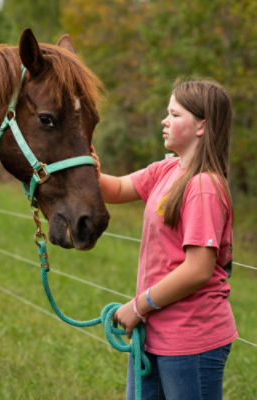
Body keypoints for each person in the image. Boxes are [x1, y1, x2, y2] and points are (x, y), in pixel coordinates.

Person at [92, 79, 238, 400]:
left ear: (201, 126)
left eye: (174, 114)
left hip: (190, 339)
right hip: (153, 334)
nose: (164, 121)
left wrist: (138, 306)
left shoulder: (203, 187)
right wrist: (78, 158)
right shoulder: (167, 170)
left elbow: (199, 269)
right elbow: (114, 188)